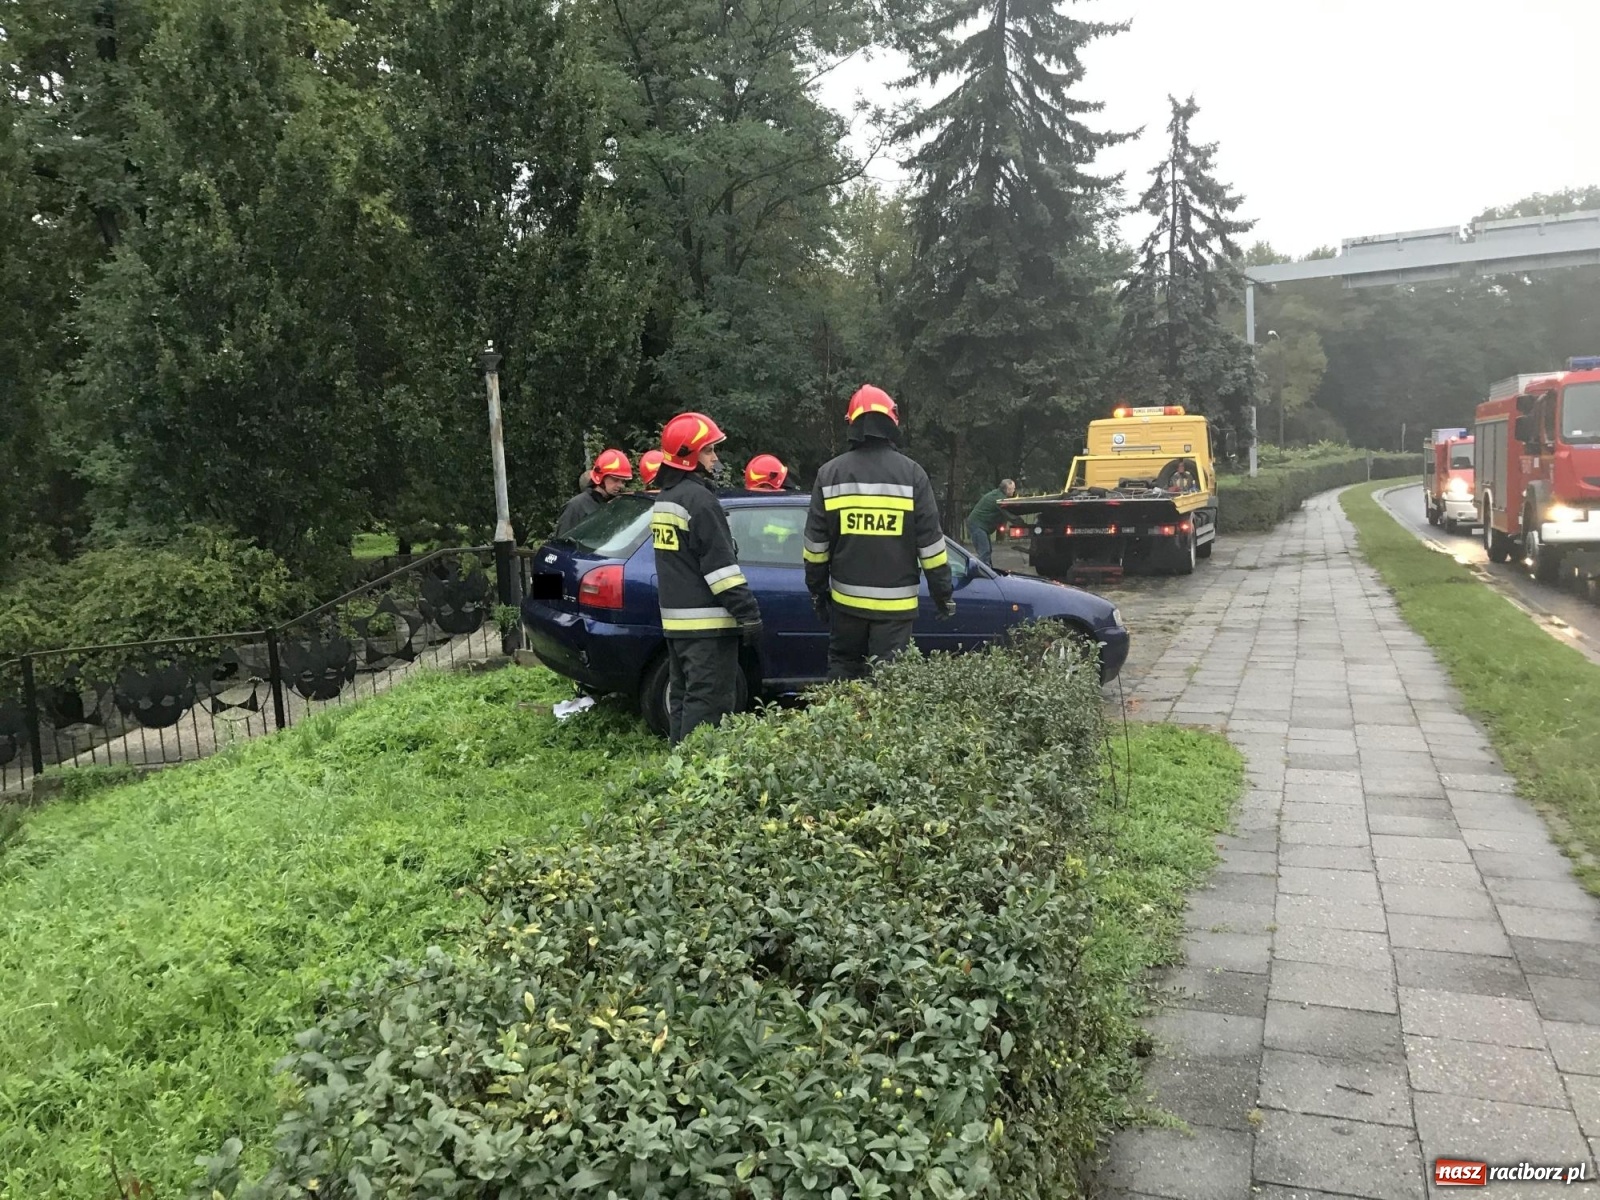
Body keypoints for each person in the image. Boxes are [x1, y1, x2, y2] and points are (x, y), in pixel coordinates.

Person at [804, 384, 953, 681]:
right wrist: (942, 594)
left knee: (843, 676)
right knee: (887, 687)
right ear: (891, 423)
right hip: (895, 612)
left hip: (846, 607)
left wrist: (818, 593)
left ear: (852, 424)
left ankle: (841, 728)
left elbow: (815, 547)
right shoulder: (913, 475)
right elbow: (932, 548)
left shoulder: (830, 474)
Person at [652, 412, 762, 743]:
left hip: (678, 627)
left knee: (685, 701)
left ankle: (679, 773)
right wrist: (748, 612)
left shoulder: (665, 499)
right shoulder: (700, 502)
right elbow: (720, 571)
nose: (715, 458)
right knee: (708, 707)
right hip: (708, 630)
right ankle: (697, 779)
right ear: (689, 456)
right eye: (709, 450)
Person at [557, 449, 633, 536]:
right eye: (615, 479)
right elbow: (560, 544)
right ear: (600, 478)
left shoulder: (617, 505)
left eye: (623, 481)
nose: (621, 485)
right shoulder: (576, 507)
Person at [965, 478, 1017, 567]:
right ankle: (980, 573)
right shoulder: (999, 499)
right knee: (984, 551)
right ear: (1007, 489)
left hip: (980, 525)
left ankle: (989, 571)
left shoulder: (997, 495)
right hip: (977, 525)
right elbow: (1008, 514)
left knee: (987, 551)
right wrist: (1021, 523)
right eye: (1013, 488)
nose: (1014, 490)